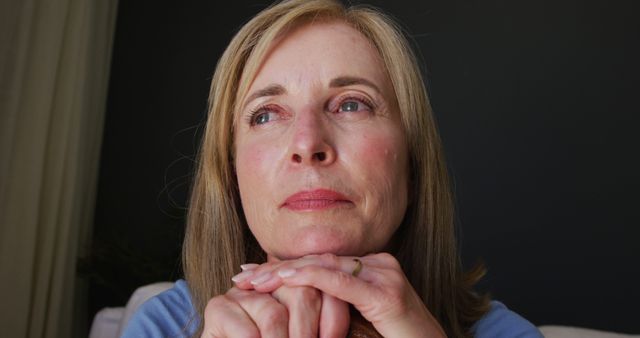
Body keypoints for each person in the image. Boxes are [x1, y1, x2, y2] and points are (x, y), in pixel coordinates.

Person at [122, 0, 543, 337]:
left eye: (351, 104)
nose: (307, 144)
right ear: (232, 175)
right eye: (266, 114)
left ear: (412, 168)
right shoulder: (163, 325)